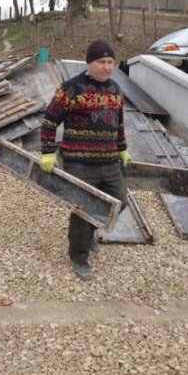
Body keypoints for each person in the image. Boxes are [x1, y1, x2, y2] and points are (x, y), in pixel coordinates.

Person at [39, 39, 131, 281]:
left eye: (111, 62)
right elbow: (49, 120)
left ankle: (90, 230)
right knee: (82, 211)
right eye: (102, 62)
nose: (107, 67)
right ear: (89, 63)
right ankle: (79, 257)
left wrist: (122, 149)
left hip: (109, 162)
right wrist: (48, 151)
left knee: (120, 201)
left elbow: (118, 124)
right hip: (79, 163)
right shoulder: (71, 89)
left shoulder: (115, 90)